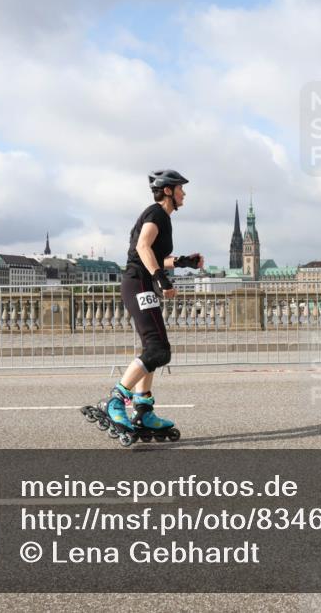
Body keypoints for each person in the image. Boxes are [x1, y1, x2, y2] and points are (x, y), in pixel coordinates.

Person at [103, 169, 204, 441]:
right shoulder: (156, 213)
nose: (184, 193)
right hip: (138, 283)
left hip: (141, 284)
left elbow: (157, 256)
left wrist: (183, 262)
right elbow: (142, 247)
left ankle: (143, 410)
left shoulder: (163, 218)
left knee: (153, 350)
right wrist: (161, 279)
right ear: (168, 190)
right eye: (180, 188)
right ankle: (116, 401)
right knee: (159, 350)